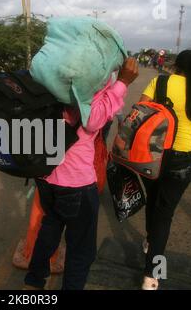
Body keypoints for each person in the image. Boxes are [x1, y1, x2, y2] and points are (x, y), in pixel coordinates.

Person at [23, 58, 139, 290]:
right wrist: (123, 81)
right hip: (75, 184)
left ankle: (33, 283)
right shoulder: (84, 92)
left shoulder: (48, 86)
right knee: (80, 250)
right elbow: (95, 119)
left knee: (50, 229)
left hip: (47, 178)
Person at [139, 49, 191, 290]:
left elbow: (140, 110)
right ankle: (152, 276)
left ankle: (150, 240)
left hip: (153, 153)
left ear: (177, 65)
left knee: (153, 200)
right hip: (181, 158)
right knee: (164, 213)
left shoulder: (159, 81)